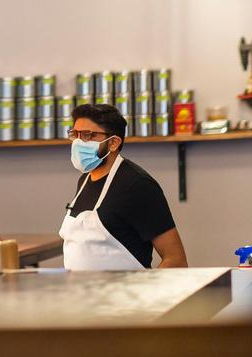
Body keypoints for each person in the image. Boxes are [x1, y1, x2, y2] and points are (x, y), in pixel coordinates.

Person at [58, 104, 188, 270]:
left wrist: (146, 287)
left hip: (126, 287)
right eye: (75, 135)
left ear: (113, 143)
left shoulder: (137, 185)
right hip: (80, 286)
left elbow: (176, 260)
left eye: (87, 135)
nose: (78, 142)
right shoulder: (84, 180)